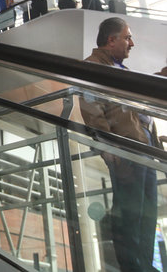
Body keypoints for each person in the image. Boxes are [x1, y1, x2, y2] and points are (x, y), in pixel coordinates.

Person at [79, 18, 161, 272]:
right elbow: (92, 110)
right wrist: (110, 151)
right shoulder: (93, 66)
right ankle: (131, 267)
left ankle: (144, 265)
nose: (132, 43)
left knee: (147, 215)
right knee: (130, 213)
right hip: (125, 150)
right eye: (127, 37)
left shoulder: (120, 68)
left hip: (145, 148)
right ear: (111, 40)